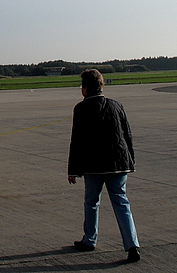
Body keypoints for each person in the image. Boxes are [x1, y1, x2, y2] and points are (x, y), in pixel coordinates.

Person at [68, 69, 141, 263]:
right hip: (118, 163)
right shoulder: (117, 105)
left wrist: (73, 169)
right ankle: (132, 244)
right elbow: (127, 135)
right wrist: (130, 160)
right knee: (121, 202)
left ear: (85, 88)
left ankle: (89, 239)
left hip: (94, 165)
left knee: (92, 202)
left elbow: (77, 141)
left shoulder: (81, 109)